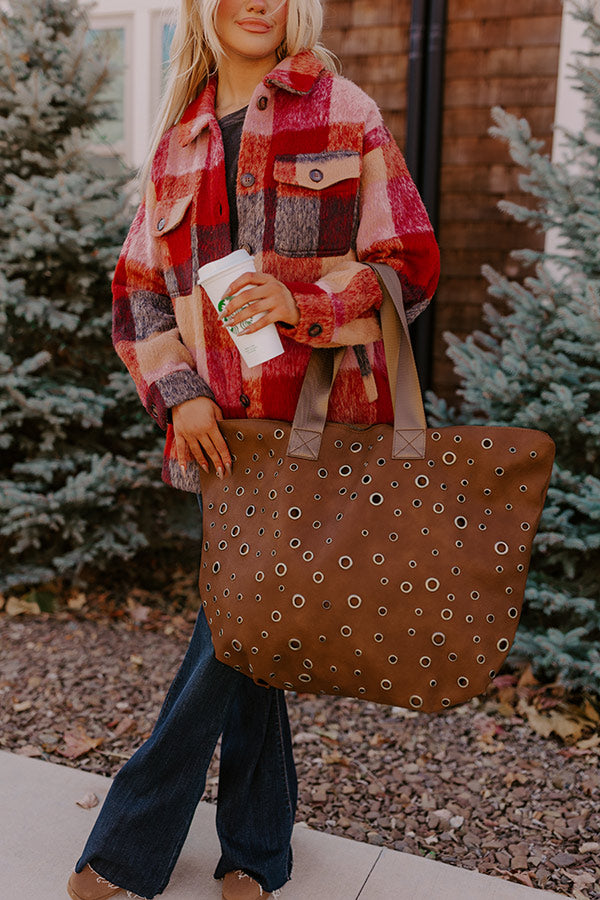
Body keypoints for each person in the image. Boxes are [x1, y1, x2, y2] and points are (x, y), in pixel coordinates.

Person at [67, 1, 440, 898]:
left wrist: (300, 299)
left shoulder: (343, 111)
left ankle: (126, 846)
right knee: (251, 630)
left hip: (318, 429)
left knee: (236, 622)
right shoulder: (176, 142)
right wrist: (180, 397)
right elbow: (139, 296)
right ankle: (257, 852)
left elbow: (410, 262)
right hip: (221, 440)